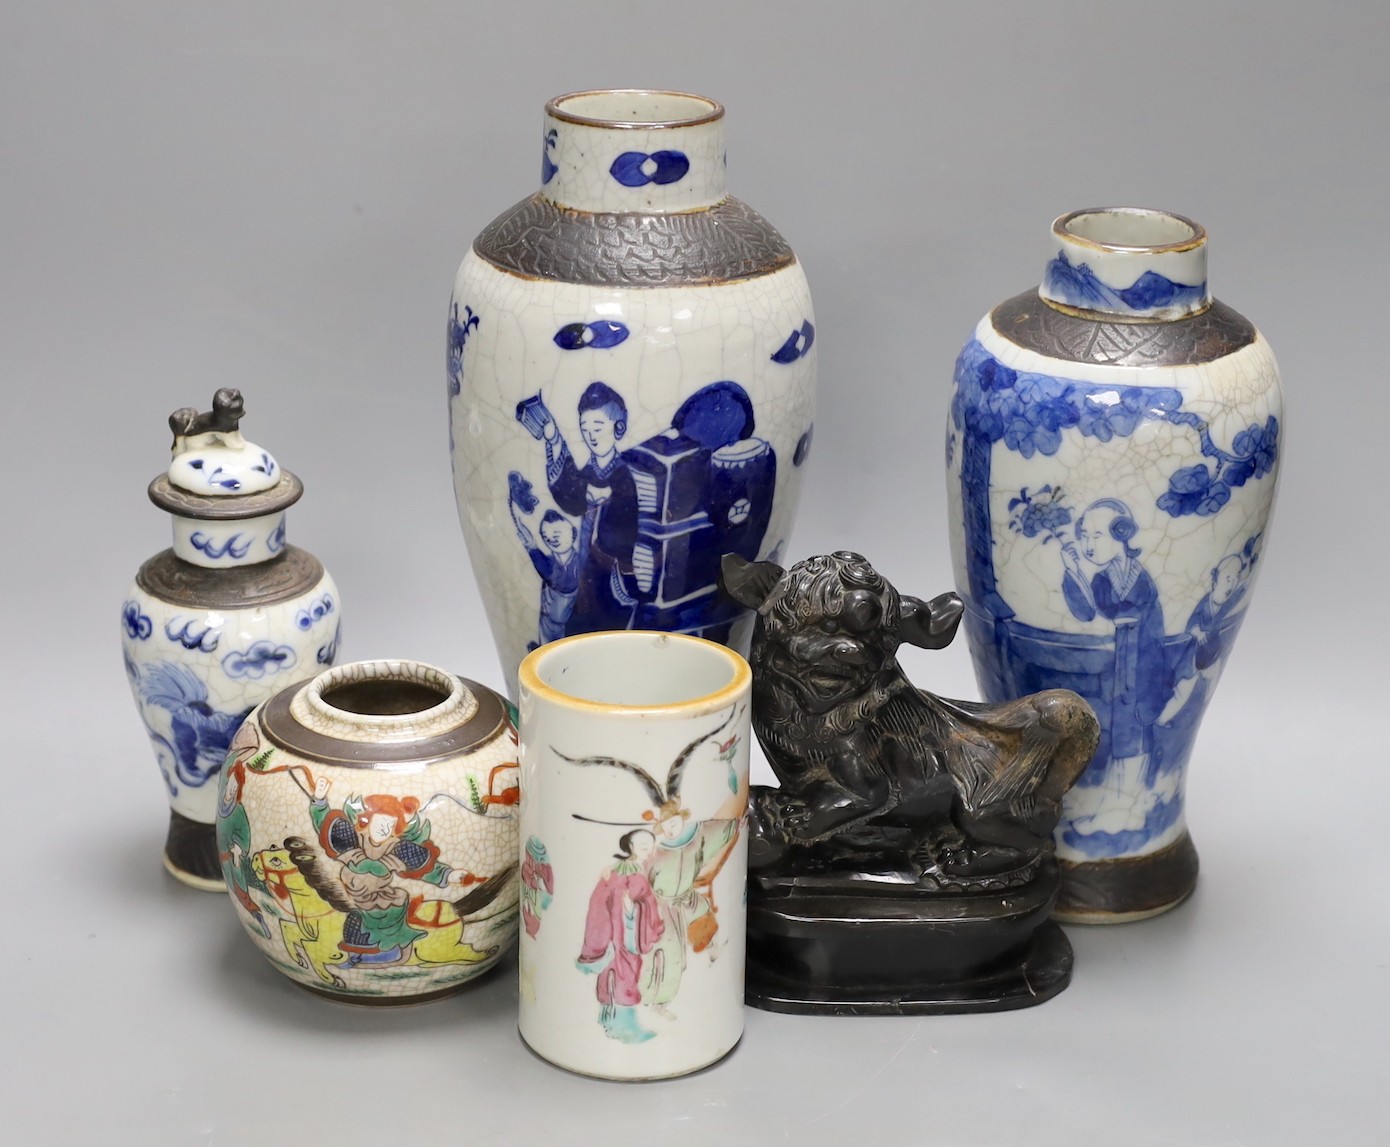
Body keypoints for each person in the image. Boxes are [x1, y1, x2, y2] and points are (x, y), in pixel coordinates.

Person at [1060, 498, 1173, 835]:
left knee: (1136, 728)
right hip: (1122, 665)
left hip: (1145, 663)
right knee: (1123, 730)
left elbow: (1136, 617)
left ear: (1122, 533)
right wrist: (1073, 571)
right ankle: (1118, 806)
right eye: (1084, 536)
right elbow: (1087, 612)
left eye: (1097, 535)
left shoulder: (1140, 578)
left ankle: (1130, 808)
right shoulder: (1103, 580)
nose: (1088, 544)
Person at [309, 779, 476, 967]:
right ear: (367, 820)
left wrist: (449, 875)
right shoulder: (351, 839)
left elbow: (423, 868)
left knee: (374, 918)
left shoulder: (397, 849)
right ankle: (355, 956)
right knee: (352, 922)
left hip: (381, 900)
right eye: (381, 821)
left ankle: (389, 954)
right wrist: (320, 801)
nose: (384, 827)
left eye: (390, 824)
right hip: (348, 893)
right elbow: (323, 824)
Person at [537, 382, 639, 634]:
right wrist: (553, 438)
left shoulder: (626, 473)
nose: (591, 435)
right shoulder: (591, 471)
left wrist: (608, 498)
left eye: (598, 427)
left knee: (608, 630)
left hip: (613, 572)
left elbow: (629, 520)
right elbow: (570, 493)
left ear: (618, 428)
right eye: (585, 429)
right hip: (587, 570)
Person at [577, 829, 664, 1044]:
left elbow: (647, 903)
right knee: (622, 978)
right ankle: (622, 1026)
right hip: (619, 937)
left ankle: (612, 1022)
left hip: (629, 935)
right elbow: (601, 904)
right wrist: (629, 912)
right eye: (642, 845)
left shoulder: (638, 872)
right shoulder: (619, 875)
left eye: (650, 845)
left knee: (623, 976)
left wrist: (634, 910)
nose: (647, 849)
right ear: (631, 847)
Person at [1158, 553, 1248, 725]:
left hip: (1210, 653)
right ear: (1215, 580)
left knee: (1211, 676)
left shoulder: (1224, 602)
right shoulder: (1205, 603)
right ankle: (1162, 719)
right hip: (1193, 657)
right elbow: (1192, 621)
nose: (1232, 583)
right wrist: (1197, 631)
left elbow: (1239, 593)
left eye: (1235, 579)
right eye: (1228, 578)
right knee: (1183, 690)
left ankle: (1197, 710)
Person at [516, 509, 593, 649]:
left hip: (568, 622)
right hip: (547, 620)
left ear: (573, 533)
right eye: (546, 537)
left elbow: (560, 581)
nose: (552, 540)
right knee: (544, 655)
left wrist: (533, 548)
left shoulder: (577, 562)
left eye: (557, 535)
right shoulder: (550, 561)